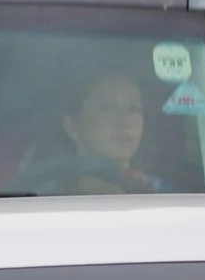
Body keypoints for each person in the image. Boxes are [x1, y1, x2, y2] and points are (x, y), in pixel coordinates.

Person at [21, 72, 160, 194]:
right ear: (72, 125)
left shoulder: (166, 195)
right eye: (107, 107)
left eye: (134, 109)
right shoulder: (42, 199)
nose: (124, 121)